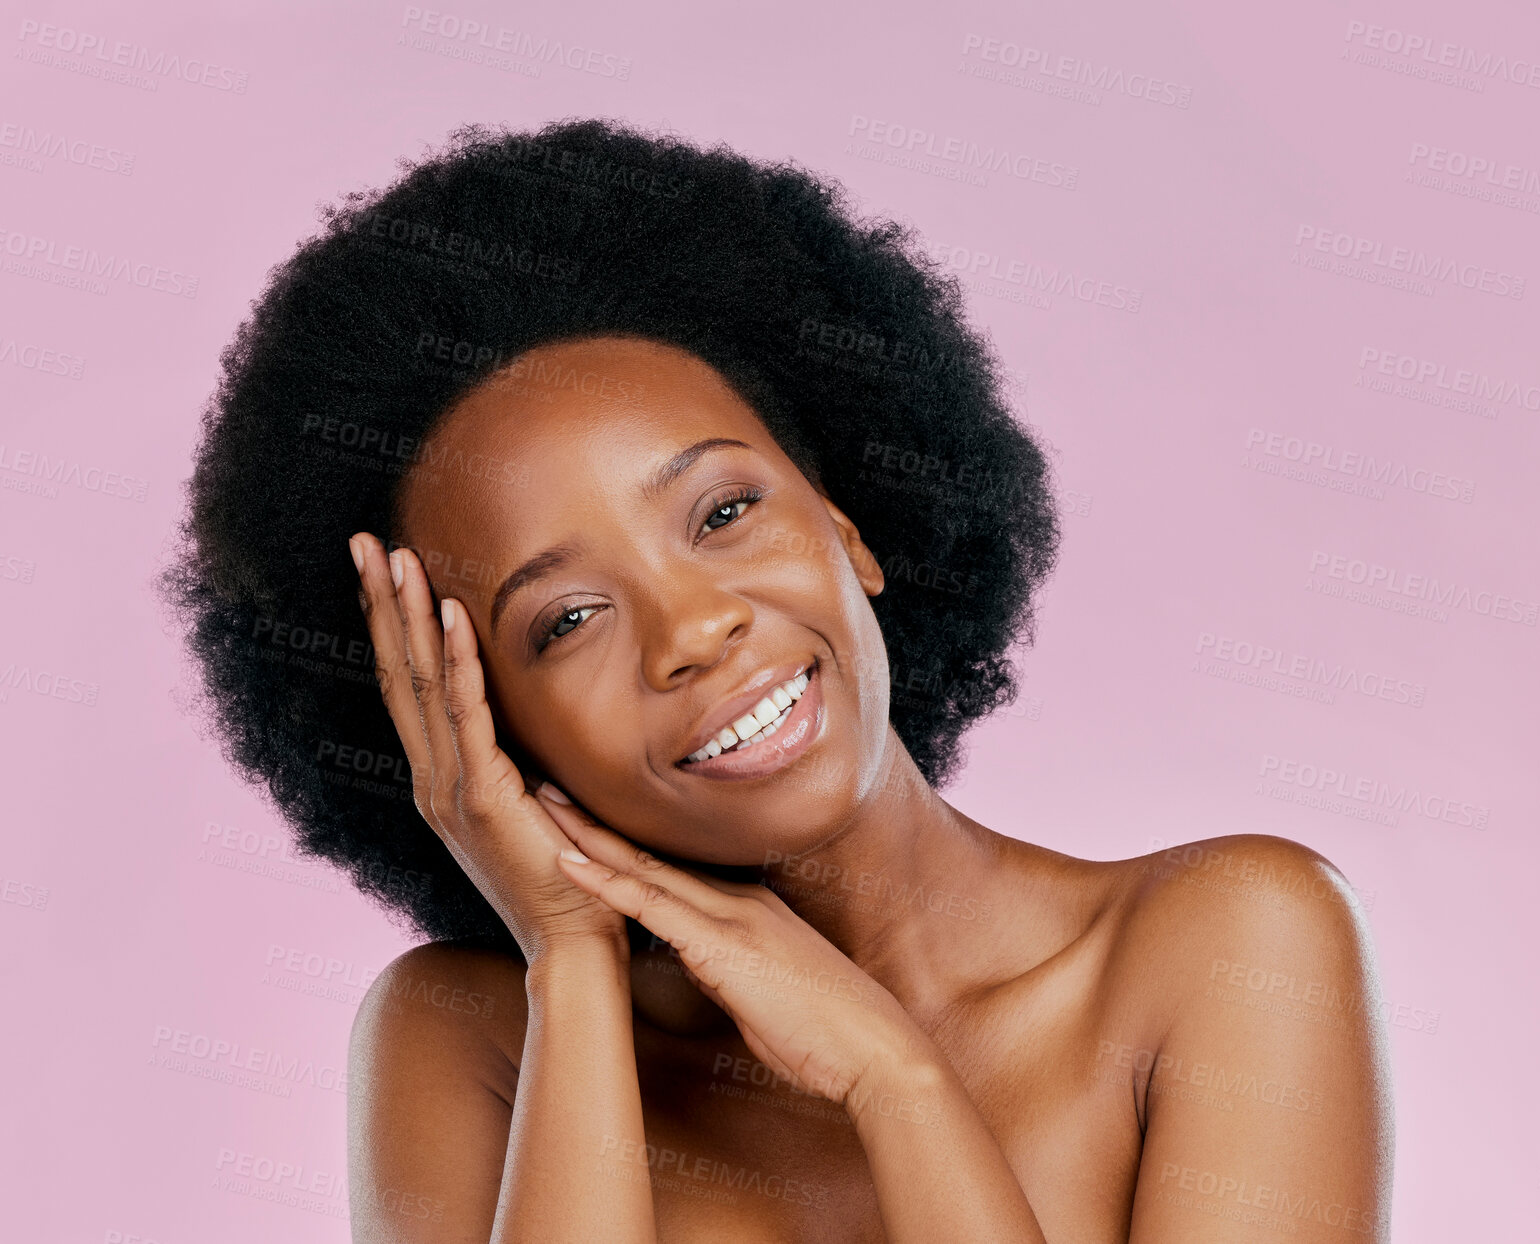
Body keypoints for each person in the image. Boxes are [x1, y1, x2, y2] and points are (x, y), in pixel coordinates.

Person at [168, 120, 1391, 1242]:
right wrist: (574, 962)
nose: (693, 627)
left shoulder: (1229, 940)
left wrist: (889, 1075)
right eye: (569, 617)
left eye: (724, 509)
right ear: (478, 720)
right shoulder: (472, 1033)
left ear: (847, 526)